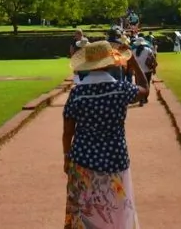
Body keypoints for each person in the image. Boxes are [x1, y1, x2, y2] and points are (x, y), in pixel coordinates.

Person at [63, 41, 150, 228]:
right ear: (111, 63)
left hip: (82, 158)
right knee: (115, 207)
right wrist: (133, 62)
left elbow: (67, 132)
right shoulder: (121, 89)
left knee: (84, 208)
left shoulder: (77, 94)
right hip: (115, 157)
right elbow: (145, 89)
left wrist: (66, 156)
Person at [132, 37, 157, 106]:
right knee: (147, 84)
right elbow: (153, 60)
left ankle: (141, 99)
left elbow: (131, 62)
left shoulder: (133, 51)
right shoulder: (148, 50)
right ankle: (145, 98)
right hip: (147, 71)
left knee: (138, 85)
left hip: (138, 71)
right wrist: (154, 69)